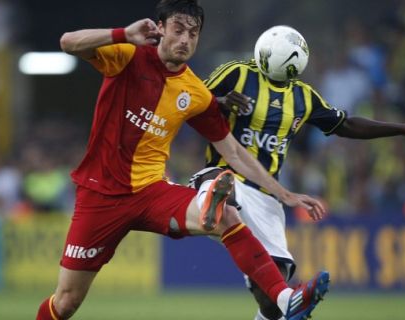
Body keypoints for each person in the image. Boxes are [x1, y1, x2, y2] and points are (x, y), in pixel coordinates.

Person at [36, 2, 330, 320]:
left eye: (193, 33)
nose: (185, 40)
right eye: (178, 30)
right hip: (99, 194)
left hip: (150, 192)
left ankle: (285, 298)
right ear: (159, 28)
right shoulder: (128, 54)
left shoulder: (196, 93)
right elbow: (68, 42)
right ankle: (207, 194)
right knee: (66, 302)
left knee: (227, 215)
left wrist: (284, 194)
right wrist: (123, 33)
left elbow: (233, 152)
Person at [192, 25, 405, 320]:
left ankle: (257, 276)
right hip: (226, 172)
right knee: (223, 185)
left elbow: (346, 124)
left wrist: (402, 128)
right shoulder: (236, 73)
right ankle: (213, 200)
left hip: (266, 194)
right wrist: (219, 102)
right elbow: (191, 98)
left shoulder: (303, 97)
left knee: (275, 297)